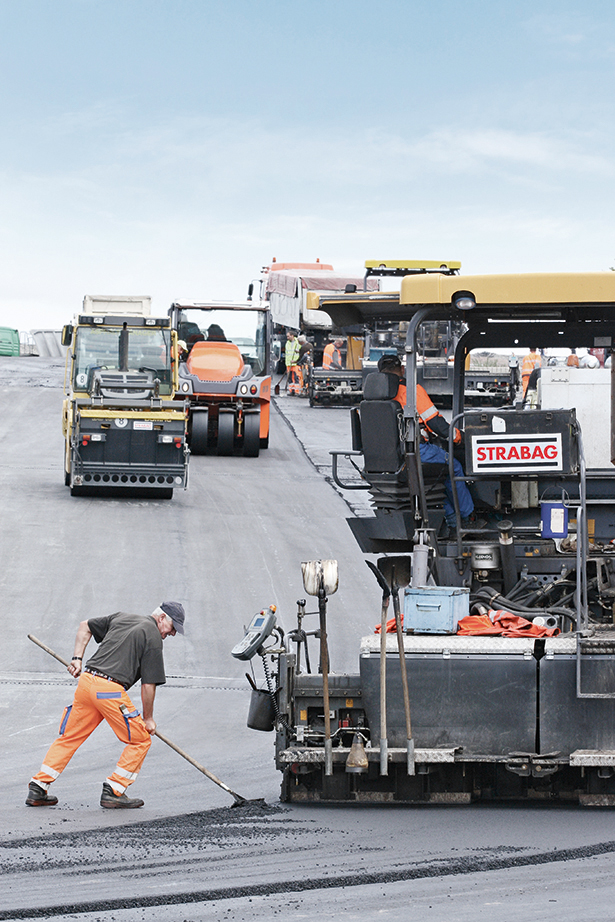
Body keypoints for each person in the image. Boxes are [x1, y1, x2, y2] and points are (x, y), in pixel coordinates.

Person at [26, 602, 185, 810]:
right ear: (162, 618)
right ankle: (114, 790)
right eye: (173, 627)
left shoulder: (123, 617)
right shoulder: (153, 636)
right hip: (109, 690)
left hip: (87, 682)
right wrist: (148, 719)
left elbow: (85, 626)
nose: (172, 633)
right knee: (141, 740)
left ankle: (38, 786)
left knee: (70, 737)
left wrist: (77, 659)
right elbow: (148, 685)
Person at [377, 354, 476, 528]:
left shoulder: (373, 397)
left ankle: (451, 519)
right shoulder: (411, 391)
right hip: (415, 451)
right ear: (402, 370)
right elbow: (436, 424)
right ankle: (468, 518)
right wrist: (460, 438)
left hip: (385, 457)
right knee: (453, 466)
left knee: (434, 479)